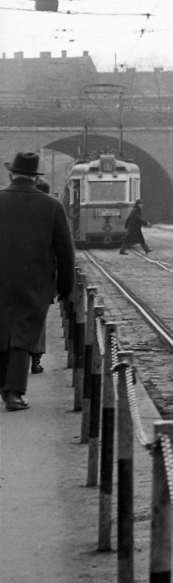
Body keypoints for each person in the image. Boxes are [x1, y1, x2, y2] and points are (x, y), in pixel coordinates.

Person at [2, 153, 75, 412]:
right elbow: (65, 251)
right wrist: (65, 286)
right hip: (35, 282)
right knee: (24, 334)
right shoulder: (52, 206)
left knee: (2, 330)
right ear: (35, 178)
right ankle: (13, 393)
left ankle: (6, 387)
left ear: (11, 174)